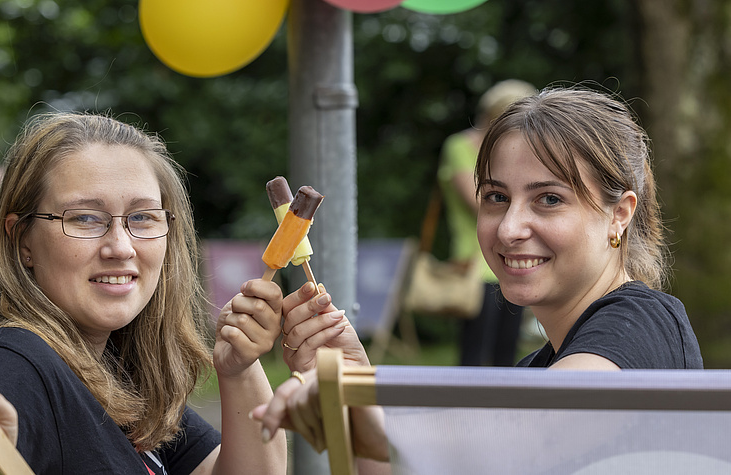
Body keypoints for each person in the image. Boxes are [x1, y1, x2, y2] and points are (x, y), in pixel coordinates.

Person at [252, 86, 703, 463]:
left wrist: (375, 421)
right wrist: (355, 381)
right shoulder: (535, 373)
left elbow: (541, 427)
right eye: (495, 197)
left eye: (549, 199)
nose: (509, 228)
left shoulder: (644, 320)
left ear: (619, 215)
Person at [0, 112, 287, 474]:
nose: (121, 247)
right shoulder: (14, 369)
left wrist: (238, 370)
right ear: (22, 240)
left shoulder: (113, 370)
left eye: (142, 217)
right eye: (85, 218)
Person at [437, 79, 535, 366]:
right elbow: (479, 202)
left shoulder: (519, 151)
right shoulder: (460, 146)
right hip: (476, 264)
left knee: (507, 354)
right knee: (474, 355)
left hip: (516, 260)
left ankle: (503, 411)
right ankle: (466, 412)